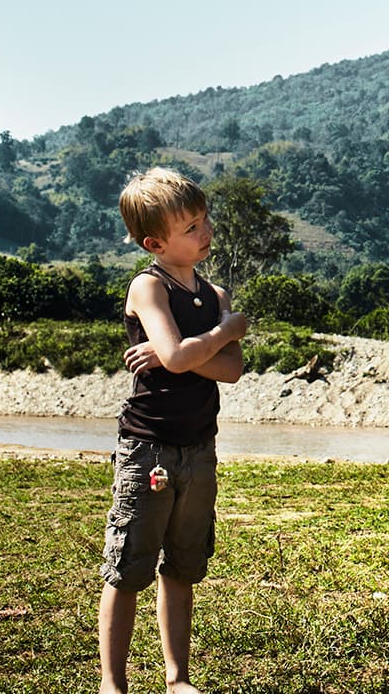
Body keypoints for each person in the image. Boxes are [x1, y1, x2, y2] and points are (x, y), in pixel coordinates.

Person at [98, 167, 246, 694]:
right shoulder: (148, 286)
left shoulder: (215, 292)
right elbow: (187, 355)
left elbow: (231, 369)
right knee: (129, 565)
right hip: (149, 447)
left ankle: (177, 679)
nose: (205, 232)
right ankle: (112, 685)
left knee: (183, 565)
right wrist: (221, 334)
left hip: (198, 447)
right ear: (155, 242)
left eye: (204, 220)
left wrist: (181, 354)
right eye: (190, 228)